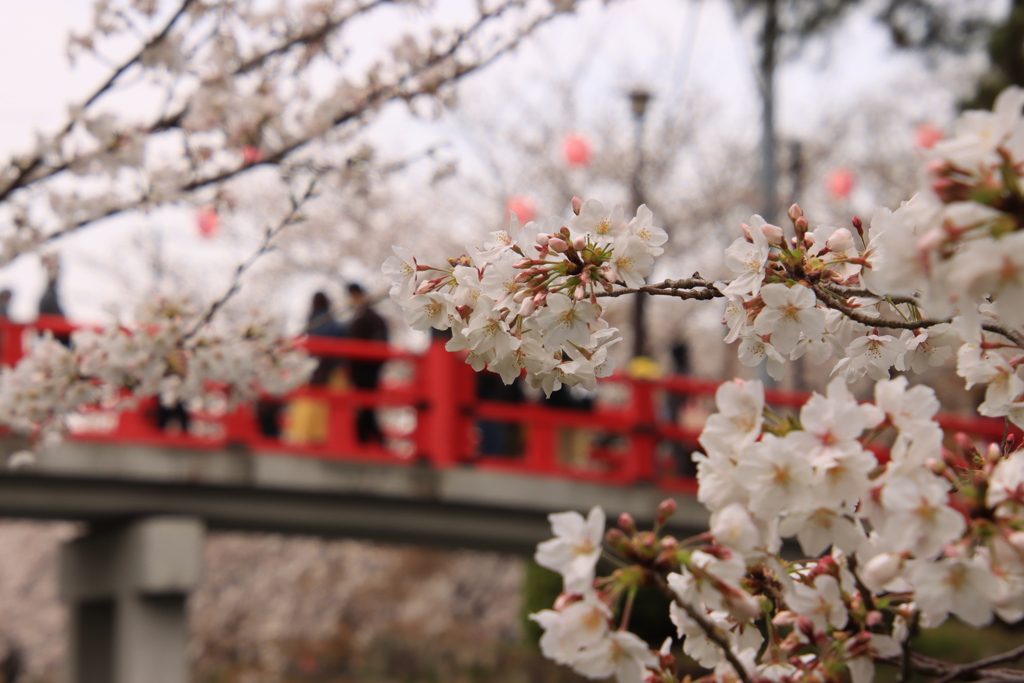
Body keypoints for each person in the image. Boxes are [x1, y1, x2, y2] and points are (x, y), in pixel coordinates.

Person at [281, 292, 348, 444]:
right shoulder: (332, 322)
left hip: (313, 368)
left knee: (308, 402)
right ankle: (321, 436)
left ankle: (303, 435)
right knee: (326, 406)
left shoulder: (313, 321)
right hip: (331, 369)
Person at [346, 283, 388, 444]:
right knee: (365, 404)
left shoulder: (371, 318)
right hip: (360, 368)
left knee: (366, 403)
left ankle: (365, 438)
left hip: (367, 368)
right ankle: (371, 438)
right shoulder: (362, 318)